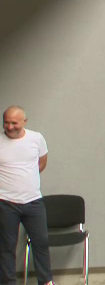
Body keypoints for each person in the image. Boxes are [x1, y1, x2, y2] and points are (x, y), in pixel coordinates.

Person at [0, 106, 55, 285]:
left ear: (24, 121)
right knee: (6, 247)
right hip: (5, 203)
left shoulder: (36, 139)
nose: (9, 127)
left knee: (41, 243)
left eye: (14, 123)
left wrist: (25, 180)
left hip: (33, 202)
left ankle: (46, 281)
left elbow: (42, 162)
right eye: (6, 122)